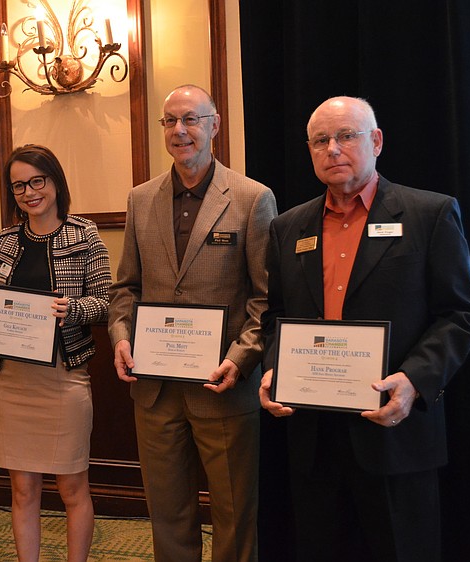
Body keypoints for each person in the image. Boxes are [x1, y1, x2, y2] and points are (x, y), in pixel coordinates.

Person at [259, 96, 470, 562]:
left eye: (346, 136)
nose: (333, 149)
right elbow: (276, 315)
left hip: (394, 432)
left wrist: (415, 380)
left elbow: (460, 315)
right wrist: (274, 368)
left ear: (376, 141)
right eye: (320, 140)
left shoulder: (429, 214)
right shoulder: (288, 227)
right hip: (314, 436)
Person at [108, 84, 278, 562]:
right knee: (167, 514)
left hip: (222, 386)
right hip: (154, 389)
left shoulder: (252, 198)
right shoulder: (141, 199)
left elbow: (266, 298)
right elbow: (126, 287)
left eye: (191, 119)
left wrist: (240, 358)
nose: (179, 130)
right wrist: (120, 337)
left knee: (233, 515)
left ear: (214, 125)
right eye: (170, 121)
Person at [0, 144, 111, 562]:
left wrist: (72, 309)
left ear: (54, 181)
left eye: (37, 181)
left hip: (64, 376)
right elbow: (0, 309)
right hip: (14, 380)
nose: (29, 192)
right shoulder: (4, 242)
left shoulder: (84, 234)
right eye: (18, 186)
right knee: (23, 489)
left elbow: (107, 302)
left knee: (72, 488)